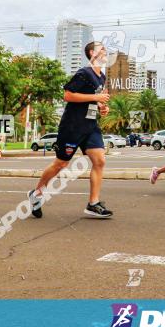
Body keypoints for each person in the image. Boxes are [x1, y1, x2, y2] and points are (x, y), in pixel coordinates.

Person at [28, 41, 113, 219]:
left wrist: (101, 107)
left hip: (90, 126)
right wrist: (96, 97)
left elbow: (92, 101)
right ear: (92, 53)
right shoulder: (84, 73)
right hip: (72, 126)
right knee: (61, 164)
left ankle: (93, 203)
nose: (105, 51)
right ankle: (36, 194)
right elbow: (67, 95)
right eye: (101, 49)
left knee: (100, 161)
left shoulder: (101, 77)